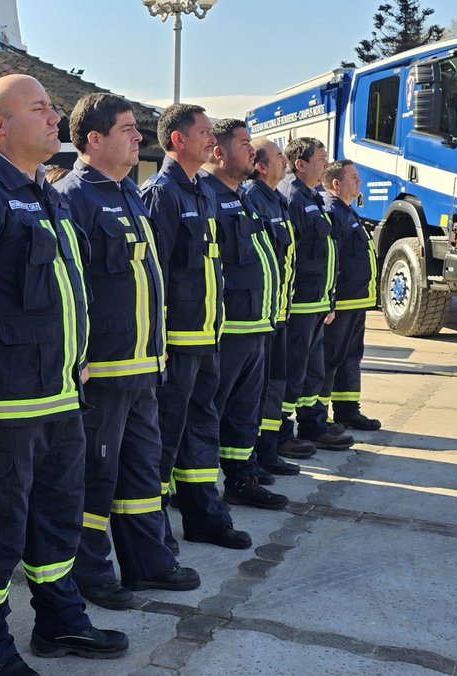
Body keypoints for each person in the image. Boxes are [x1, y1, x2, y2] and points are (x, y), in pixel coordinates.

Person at [0, 74, 128, 675]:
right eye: (40, 109)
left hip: (59, 394)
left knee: (56, 519)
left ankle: (60, 620)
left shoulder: (42, 189)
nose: (54, 119)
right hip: (8, 407)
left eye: (53, 108)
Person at [53, 94, 199, 613]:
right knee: (96, 478)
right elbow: (67, 288)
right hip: (102, 373)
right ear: (94, 139)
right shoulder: (72, 198)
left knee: (140, 473)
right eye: (127, 129)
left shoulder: (131, 194)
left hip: (144, 367)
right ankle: (92, 571)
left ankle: (148, 562)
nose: (140, 138)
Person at [141, 104, 251, 551]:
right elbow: (156, 277)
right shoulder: (161, 192)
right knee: (164, 436)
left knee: (202, 427)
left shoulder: (199, 192)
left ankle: (204, 513)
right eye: (204, 133)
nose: (212, 140)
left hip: (206, 338)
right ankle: (155, 529)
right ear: (177, 140)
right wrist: (159, 341)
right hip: (175, 343)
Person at [198, 120, 288, 512]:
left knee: (243, 413)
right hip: (226, 329)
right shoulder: (205, 196)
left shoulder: (242, 196)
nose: (252, 151)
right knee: (207, 413)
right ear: (219, 152)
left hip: (256, 325)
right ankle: (187, 492)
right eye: (243, 144)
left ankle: (241, 478)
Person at [242, 138, 316, 475]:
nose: (285, 161)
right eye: (278, 157)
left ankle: (269, 450)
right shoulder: (251, 198)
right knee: (255, 394)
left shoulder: (277, 200)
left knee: (275, 387)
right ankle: (253, 457)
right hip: (260, 317)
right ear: (260, 166)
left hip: (280, 313)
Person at [277, 138, 355, 452]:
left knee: (312, 372)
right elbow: (290, 255)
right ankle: (282, 434)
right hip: (299, 304)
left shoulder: (312, 196)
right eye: (321, 159)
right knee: (292, 372)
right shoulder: (292, 196)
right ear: (301, 163)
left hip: (317, 302)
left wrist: (330, 301)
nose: (325, 163)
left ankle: (312, 424)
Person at [320, 160, 381, 431]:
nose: (359, 182)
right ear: (336, 183)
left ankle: (347, 409)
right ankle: (319, 415)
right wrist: (330, 302)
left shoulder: (348, 211)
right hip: (341, 303)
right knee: (330, 358)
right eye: (354, 177)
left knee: (350, 357)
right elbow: (330, 262)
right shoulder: (333, 213)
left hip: (356, 302)